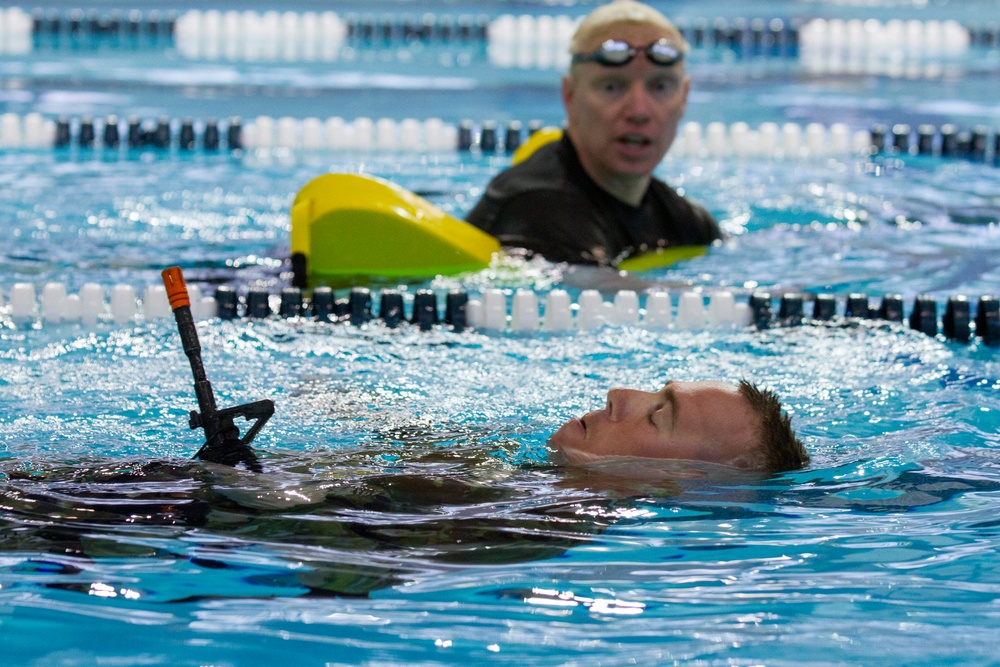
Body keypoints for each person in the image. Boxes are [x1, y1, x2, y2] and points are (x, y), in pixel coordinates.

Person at [466, 0, 722, 267]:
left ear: (684, 99)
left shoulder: (687, 222)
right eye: (612, 87)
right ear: (570, 96)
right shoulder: (536, 208)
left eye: (660, 86)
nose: (639, 111)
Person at [550, 380, 809, 472]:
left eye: (657, 416)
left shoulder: (529, 533)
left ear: (676, 475)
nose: (617, 394)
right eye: (656, 392)